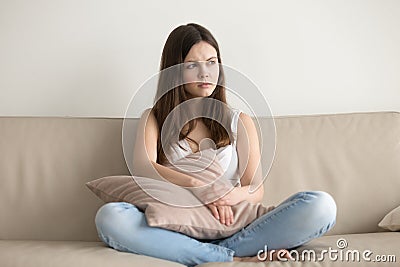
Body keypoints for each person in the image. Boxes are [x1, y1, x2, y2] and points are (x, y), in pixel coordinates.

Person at [94, 23, 337, 266]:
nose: (205, 73)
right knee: (111, 217)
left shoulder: (239, 121)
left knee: (321, 205)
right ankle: (232, 257)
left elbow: (255, 189)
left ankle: (211, 252)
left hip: (234, 226)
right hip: (176, 228)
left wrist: (226, 196)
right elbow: (143, 168)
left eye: (212, 62)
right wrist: (196, 185)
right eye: (192, 65)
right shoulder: (154, 118)